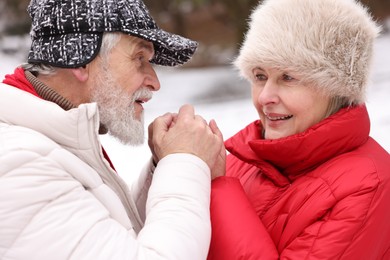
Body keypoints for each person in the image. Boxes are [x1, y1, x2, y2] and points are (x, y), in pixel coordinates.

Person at [0, 0, 225, 259]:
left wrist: (164, 165)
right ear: (78, 58)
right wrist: (185, 162)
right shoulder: (18, 165)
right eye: (139, 58)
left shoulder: (49, 145)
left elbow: (114, 237)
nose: (154, 82)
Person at [207, 0, 390, 259]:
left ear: (337, 88)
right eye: (260, 76)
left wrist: (218, 186)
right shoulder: (243, 160)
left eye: (288, 77)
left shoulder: (370, 185)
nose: (264, 97)